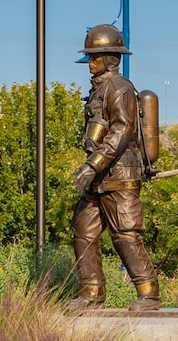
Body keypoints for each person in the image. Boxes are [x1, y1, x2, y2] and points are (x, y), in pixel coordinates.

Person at [68, 24, 161, 312]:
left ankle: (149, 294)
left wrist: (93, 165)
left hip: (120, 176)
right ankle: (92, 291)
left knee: (125, 236)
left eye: (95, 56)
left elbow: (122, 130)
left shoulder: (119, 89)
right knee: (83, 231)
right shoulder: (98, 89)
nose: (90, 62)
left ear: (110, 58)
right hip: (99, 178)